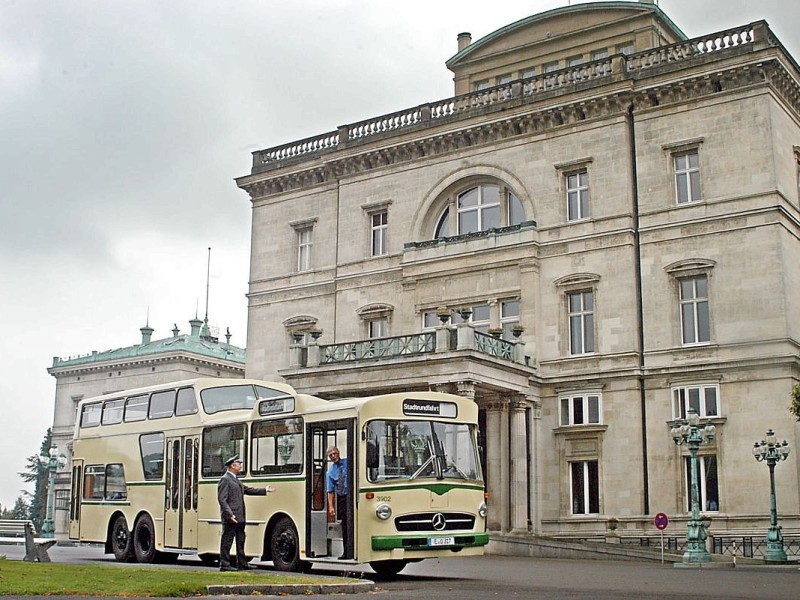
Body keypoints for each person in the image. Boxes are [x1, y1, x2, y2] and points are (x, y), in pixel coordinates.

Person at [217, 454, 275, 571]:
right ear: (232, 466)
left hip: (240, 516)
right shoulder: (225, 479)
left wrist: (265, 490)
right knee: (227, 540)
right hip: (231, 516)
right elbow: (222, 499)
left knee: (240, 539)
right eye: (239, 464)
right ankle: (224, 564)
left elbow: (248, 490)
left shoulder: (235, 479)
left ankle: (242, 564)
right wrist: (229, 514)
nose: (241, 466)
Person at [326, 446, 350, 559]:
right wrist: (331, 506)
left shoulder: (349, 462)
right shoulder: (330, 472)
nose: (333, 456)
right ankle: (346, 552)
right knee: (345, 525)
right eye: (331, 455)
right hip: (342, 498)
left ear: (338, 453)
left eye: (334, 453)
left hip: (352, 495)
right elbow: (330, 491)